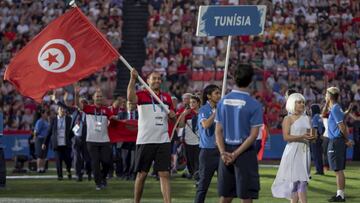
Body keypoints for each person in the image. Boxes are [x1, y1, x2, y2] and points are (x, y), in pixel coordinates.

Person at [215, 64, 263, 203]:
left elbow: (218, 131)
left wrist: (223, 152)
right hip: (244, 152)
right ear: (251, 80)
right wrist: (235, 154)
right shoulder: (254, 104)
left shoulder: (222, 101)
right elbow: (253, 135)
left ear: (234, 78)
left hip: (226, 150)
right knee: (246, 196)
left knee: (226, 195)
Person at [127, 69, 176, 203]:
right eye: (153, 78)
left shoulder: (166, 97)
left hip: (163, 140)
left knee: (164, 174)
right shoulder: (142, 94)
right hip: (145, 140)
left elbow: (173, 118)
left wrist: (173, 115)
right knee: (142, 175)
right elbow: (130, 98)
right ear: (148, 81)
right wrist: (132, 79)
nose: (157, 81)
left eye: (159, 79)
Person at [272, 93, 315, 203]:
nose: (302, 104)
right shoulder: (288, 118)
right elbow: (286, 137)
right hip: (293, 152)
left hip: (305, 152)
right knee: (301, 182)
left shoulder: (307, 118)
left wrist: (313, 137)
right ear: (292, 103)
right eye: (299, 102)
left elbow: (312, 136)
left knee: (297, 184)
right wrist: (302, 137)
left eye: (303, 102)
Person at [76, 88, 115, 190]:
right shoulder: (88, 108)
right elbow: (78, 105)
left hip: (104, 140)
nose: (99, 98)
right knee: (95, 162)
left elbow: (113, 119)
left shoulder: (106, 110)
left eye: (100, 96)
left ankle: (103, 177)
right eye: (97, 96)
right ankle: (98, 183)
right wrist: (76, 94)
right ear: (93, 98)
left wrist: (116, 119)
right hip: (92, 140)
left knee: (106, 161)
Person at [325, 87, 353, 202]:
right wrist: (347, 112)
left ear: (330, 96)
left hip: (336, 141)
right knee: (338, 169)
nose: (325, 96)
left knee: (338, 170)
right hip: (337, 141)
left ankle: (340, 196)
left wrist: (347, 140)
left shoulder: (335, 109)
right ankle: (340, 194)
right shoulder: (336, 108)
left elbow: (342, 126)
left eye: (326, 95)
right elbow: (341, 118)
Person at [194, 84, 221, 203]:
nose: (219, 95)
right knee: (203, 186)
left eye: (219, 93)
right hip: (208, 152)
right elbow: (205, 125)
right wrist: (215, 113)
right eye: (217, 93)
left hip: (221, 151)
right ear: (209, 96)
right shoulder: (203, 109)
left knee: (225, 185)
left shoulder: (222, 109)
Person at [42, 106, 73, 180]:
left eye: (63, 109)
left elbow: (73, 131)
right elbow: (49, 132)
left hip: (66, 143)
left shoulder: (69, 119)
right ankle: (60, 176)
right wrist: (44, 143)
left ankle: (68, 170)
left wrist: (69, 137)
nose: (62, 110)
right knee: (58, 160)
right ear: (57, 111)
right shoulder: (53, 120)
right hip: (57, 144)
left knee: (68, 160)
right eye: (61, 109)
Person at [178, 95, 201, 182]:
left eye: (194, 102)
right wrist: (184, 114)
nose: (191, 104)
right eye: (190, 102)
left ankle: (198, 179)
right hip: (188, 141)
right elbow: (181, 125)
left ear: (198, 103)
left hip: (199, 141)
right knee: (190, 162)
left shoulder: (202, 112)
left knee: (198, 162)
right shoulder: (187, 113)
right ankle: (193, 174)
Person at [310, 104, 325, 175]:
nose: (310, 110)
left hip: (315, 137)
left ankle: (318, 170)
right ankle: (320, 170)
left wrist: (313, 138)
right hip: (319, 137)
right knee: (319, 154)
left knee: (316, 154)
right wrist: (321, 134)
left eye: (311, 109)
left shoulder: (314, 117)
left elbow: (315, 128)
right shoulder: (319, 116)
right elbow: (323, 128)